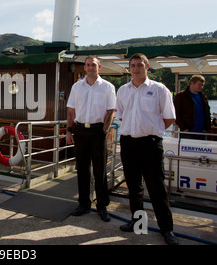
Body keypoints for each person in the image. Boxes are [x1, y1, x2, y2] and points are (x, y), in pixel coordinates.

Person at [116, 53, 179, 245]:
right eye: (133, 65)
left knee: (156, 188)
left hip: (150, 144)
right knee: (134, 187)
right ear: (129, 68)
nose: (136, 69)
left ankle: (167, 229)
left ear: (147, 66)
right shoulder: (123, 90)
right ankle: (138, 222)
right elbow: (121, 116)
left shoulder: (160, 89)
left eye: (139, 65)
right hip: (128, 143)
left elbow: (169, 117)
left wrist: (154, 131)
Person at [66, 55, 116, 222]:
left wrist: (104, 131)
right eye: (88, 65)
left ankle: (102, 206)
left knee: (100, 170)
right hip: (80, 131)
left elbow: (111, 111)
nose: (90, 68)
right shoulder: (76, 87)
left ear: (99, 67)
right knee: (82, 169)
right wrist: (68, 130)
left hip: (97, 132)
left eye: (93, 65)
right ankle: (83, 204)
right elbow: (71, 111)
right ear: (84, 68)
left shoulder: (108, 87)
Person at [173, 74, 211, 140]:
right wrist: (184, 128)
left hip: (202, 132)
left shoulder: (203, 97)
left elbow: (207, 113)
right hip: (188, 133)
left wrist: (207, 128)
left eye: (202, 85)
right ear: (191, 83)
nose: (201, 87)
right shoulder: (181, 96)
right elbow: (175, 113)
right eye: (199, 84)